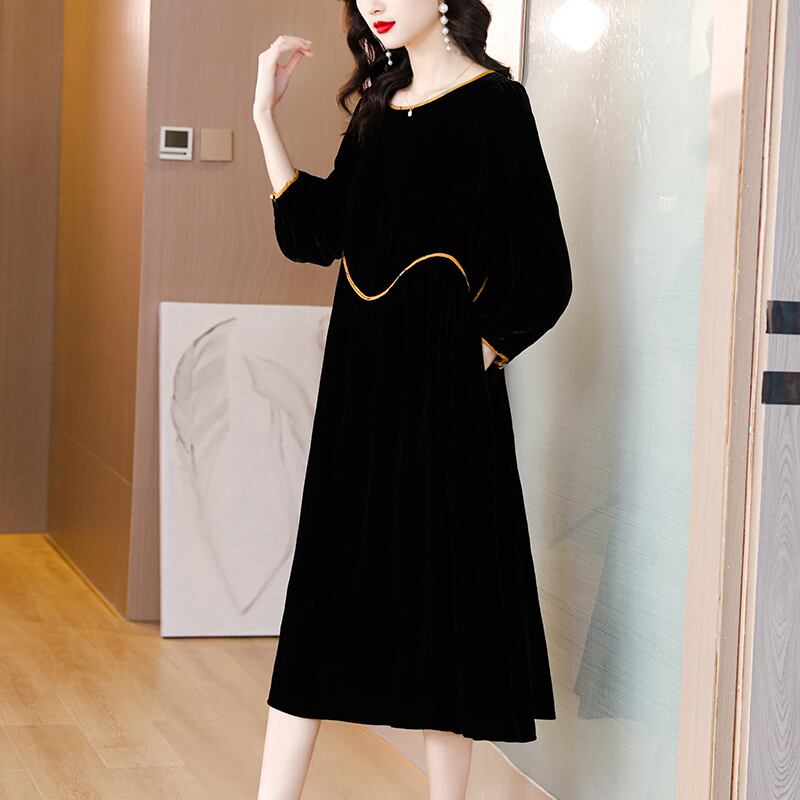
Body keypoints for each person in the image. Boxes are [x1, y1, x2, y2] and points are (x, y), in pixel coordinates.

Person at [252, 1, 572, 797]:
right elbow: (318, 232)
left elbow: (545, 270)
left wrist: (475, 354)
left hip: (446, 404)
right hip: (356, 398)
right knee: (321, 609)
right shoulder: (378, 106)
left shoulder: (497, 105)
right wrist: (264, 116)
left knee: (445, 620)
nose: (377, 3)